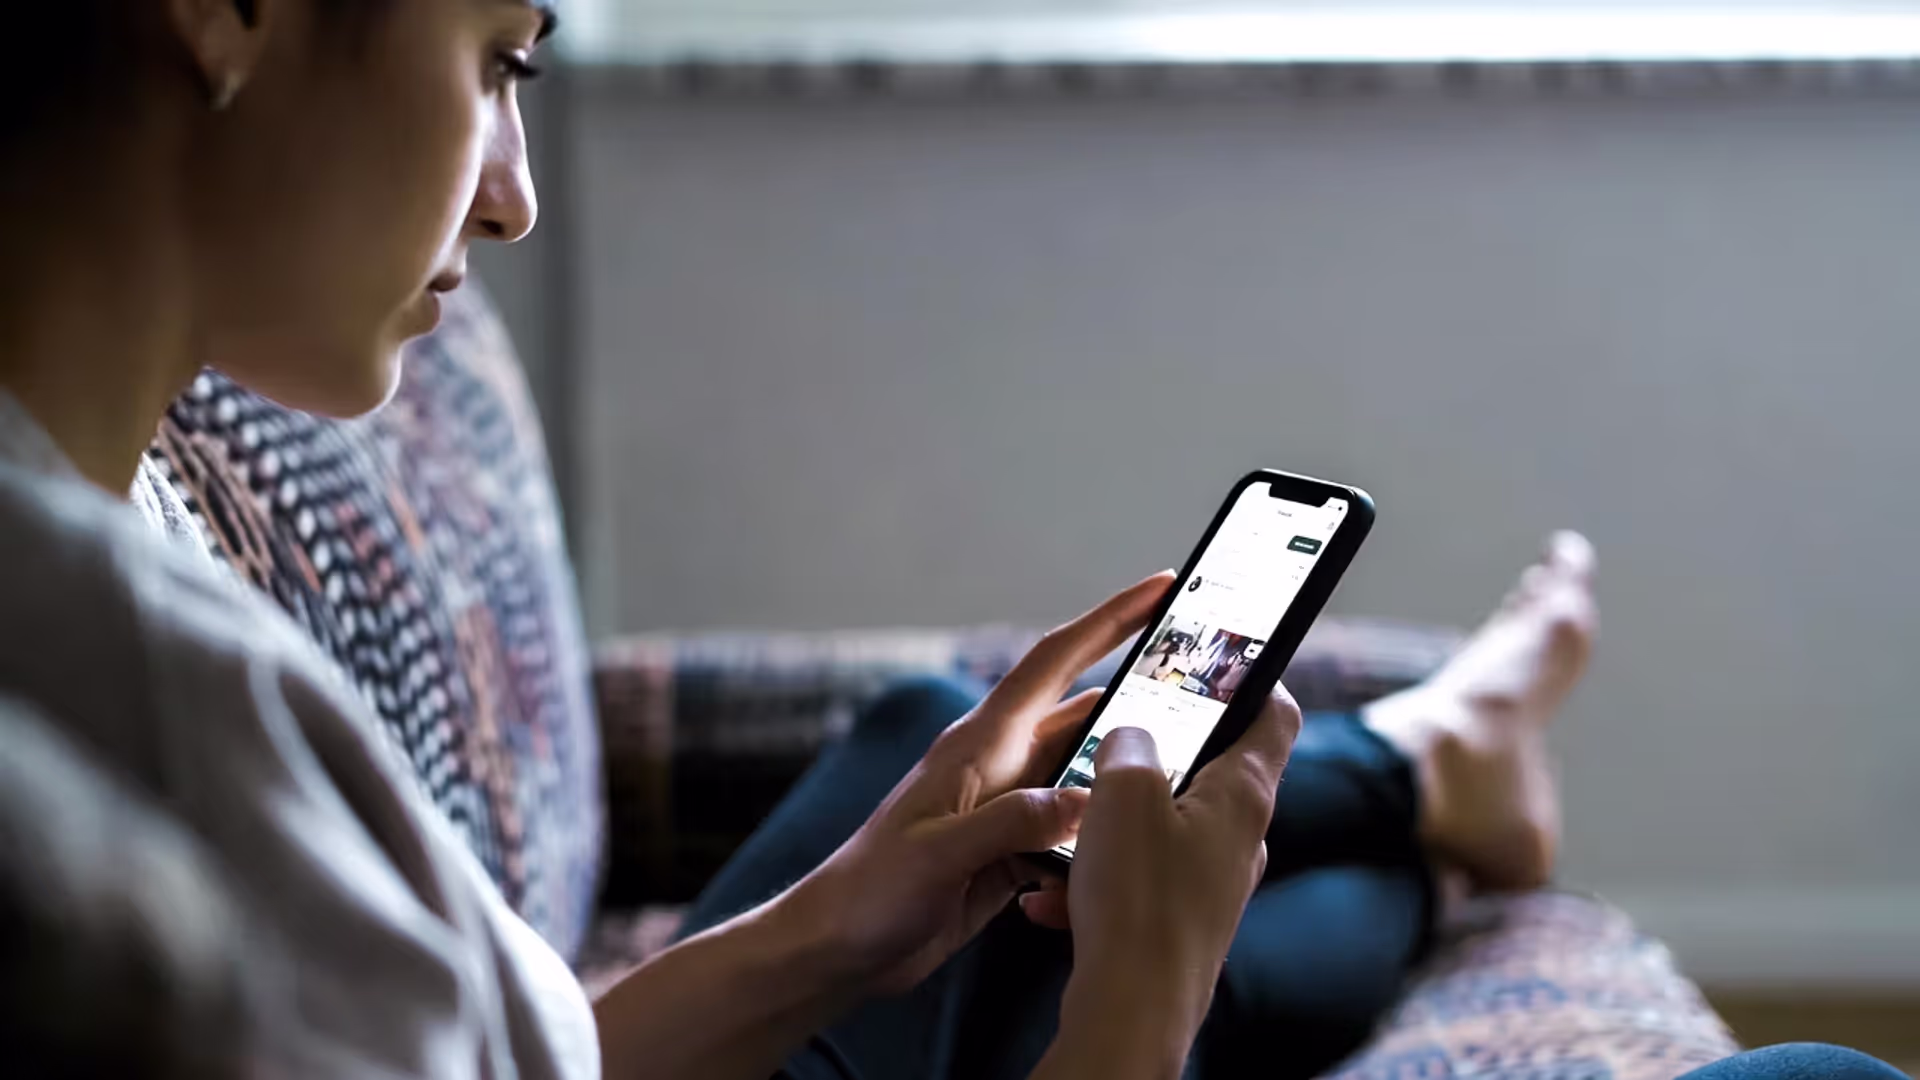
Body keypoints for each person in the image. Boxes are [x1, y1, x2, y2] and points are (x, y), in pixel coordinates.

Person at [0, 3, 1907, 1080]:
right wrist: (1138, 1006)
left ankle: (1429, 775)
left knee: (959, 801)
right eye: (500, 55)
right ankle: (1429, 772)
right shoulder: (129, 789)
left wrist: (834, 927)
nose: (509, 204)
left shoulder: (117, 561)